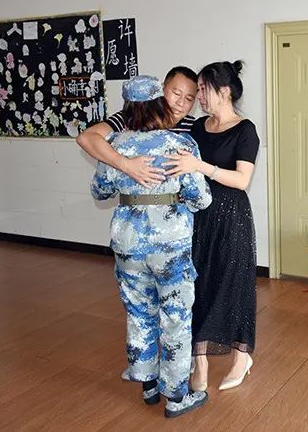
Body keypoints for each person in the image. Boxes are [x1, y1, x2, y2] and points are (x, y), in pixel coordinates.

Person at [90, 75, 212, 418]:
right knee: (175, 317)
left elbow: (100, 191)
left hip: (127, 244)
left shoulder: (114, 145)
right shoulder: (179, 144)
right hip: (170, 245)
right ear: (160, 103)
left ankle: (148, 384)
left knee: (139, 312)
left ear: (128, 107)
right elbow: (201, 199)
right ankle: (176, 396)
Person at [164, 60, 259, 392]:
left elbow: (242, 180)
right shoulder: (198, 127)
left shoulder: (245, 129)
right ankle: (200, 362)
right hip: (198, 216)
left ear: (225, 91)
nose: (199, 96)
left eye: (203, 89)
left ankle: (241, 356)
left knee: (234, 285)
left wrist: (201, 166)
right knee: (199, 286)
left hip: (232, 217)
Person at [78, 66, 200, 187]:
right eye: (176, 93)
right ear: (161, 89)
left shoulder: (194, 127)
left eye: (189, 99)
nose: (181, 103)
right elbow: (86, 138)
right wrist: (126, 165)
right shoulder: (133, 118)